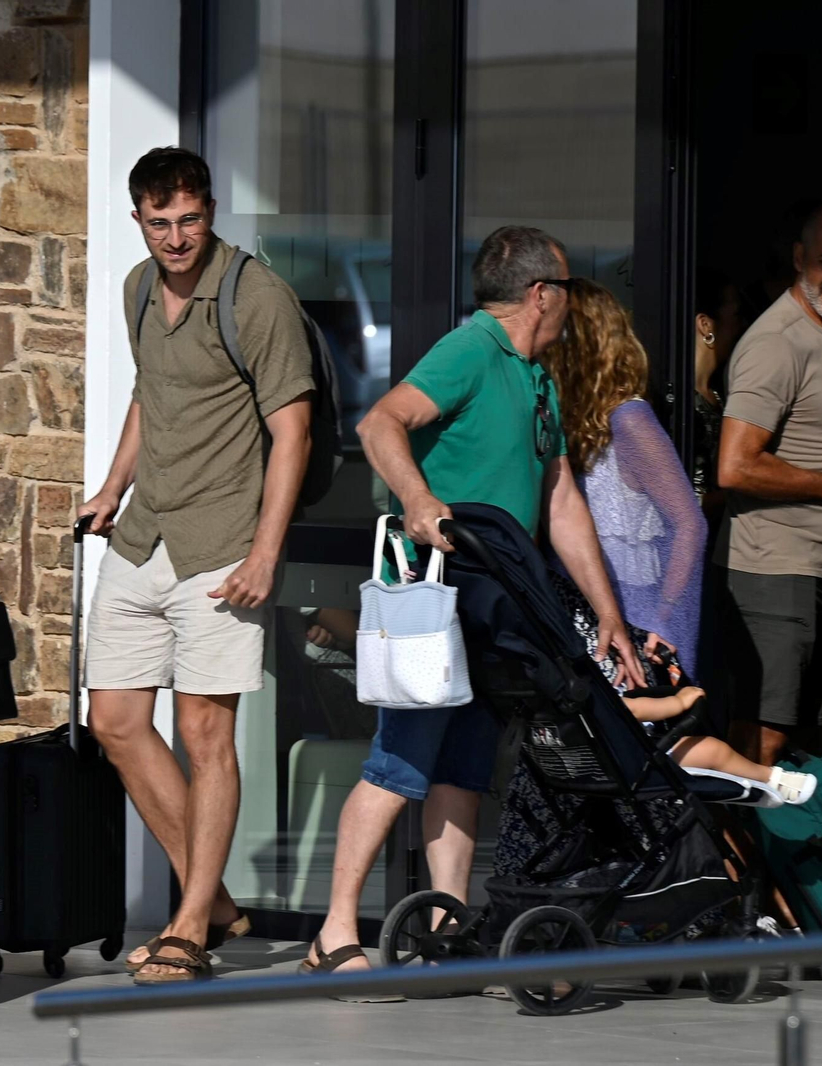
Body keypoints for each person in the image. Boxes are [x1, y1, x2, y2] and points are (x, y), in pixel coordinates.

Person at [300, 226, 643, 988]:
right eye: (566, 290)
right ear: (540, 295)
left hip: (498, 603)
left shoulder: (538, 377)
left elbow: (560, 501)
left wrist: (607, 614)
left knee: (461, 768)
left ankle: (445, 937)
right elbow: (378, 421)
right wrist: (419, 498)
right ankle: (332, 931)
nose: (571, 306)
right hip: (437, 594)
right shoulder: (470, 350)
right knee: (401, 761)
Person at [77, 147, 314, 984]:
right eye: (159, 222)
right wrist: (111, 486)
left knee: (205, 734)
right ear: (137, 219)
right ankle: (211, 901)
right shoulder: (139, 288)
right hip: (144, 537)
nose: (176, 238)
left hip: (221, 549)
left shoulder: (258, 298)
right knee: (113, 720)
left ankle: (187, 927)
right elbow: (151, 393)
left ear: (209, 212)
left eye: (190, 219)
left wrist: (265, 553)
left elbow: (294, 431)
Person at [716, 202, 822, 765]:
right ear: (798, 259)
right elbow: (735, 467)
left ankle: (763, 857)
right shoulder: (775, 342)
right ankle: (724, 858)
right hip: (771, 571)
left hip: (812, 571)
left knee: (791, 751)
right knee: (757, 751)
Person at [538, 281, 708, 673]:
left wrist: (664, 621)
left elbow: (689, 525)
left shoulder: (629, 420)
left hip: (634, 617)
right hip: (577, 613)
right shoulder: (568, 419)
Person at [619, 688, 817, 804]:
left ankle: (757, 782)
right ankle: (769, 779)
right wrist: (677, 702)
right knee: (712, 750)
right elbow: (630, 709)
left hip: (615, 761)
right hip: (633, 759)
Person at [690, 266, 746, 520]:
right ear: (706, 325)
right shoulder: (680, 404)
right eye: (735, 315)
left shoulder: (717, 393)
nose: (740, 327)